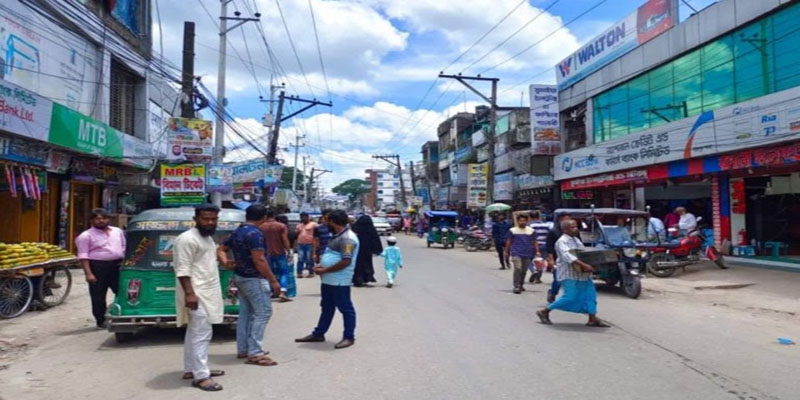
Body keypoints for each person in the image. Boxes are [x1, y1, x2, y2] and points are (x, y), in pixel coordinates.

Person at [218, 204, 281, 366]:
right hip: (254, 278)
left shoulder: (238, 231)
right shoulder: (255, 234)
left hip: (240, 276)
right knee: (263, 312)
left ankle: (244, 348)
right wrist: (273, 280)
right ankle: (255, 352)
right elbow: (259, 259)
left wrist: (225, 263)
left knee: (246, 314)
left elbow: (221, 249)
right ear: (264, 218)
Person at [173, 205, 226, 391]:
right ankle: (201, 376)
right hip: (196, 293)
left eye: (214, 219)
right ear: (196, 218)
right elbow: (182, 269)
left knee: (195, 332)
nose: (210, 222)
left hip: (207, 290)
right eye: (206, 219)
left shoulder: (207, 237)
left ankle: (192, 369)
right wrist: (190, 294)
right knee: (202, 334)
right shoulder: (187, 239)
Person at [295, 210, 359, 349]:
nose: (324, 223)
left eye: (327, 221)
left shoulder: (347, 238)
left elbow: (346, 261)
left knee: (345, 308)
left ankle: (349, 337)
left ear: (333, 222)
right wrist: (322, 266)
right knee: (327, 307)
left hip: (339, 280)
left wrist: (325, 269)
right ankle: (319, 333)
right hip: (329, 279)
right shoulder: (338, 235)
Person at [536, 219, 610, 328]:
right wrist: (585, 265)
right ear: (565, 229)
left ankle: (592, 318)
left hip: (582, 274)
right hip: (569, 274)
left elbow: (582, 253)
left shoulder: (576, 240)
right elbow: (568, 256)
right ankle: (545, 311)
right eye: (572, 227)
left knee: (590, 295)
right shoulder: (562, 241)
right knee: (570, 297)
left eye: (576, 226)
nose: (576, 229)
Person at [75, 208, 126, 329]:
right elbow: (83, 256)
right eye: (97, 219)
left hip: (117, 265)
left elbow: (124, 247)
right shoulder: (85, 236)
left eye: (104, 218)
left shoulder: (117, 231)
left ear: (108, 219)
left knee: (122, 292)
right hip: (98, 267)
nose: (101, 220)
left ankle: (123, 314)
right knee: (98, 295)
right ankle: (101, 320)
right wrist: (88, 273)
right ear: (91, 221)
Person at [261, 210, 294, 300]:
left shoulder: (261, 227)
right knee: (284, 272)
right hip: (279, 252)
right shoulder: (281, 226)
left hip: (266, 253)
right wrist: (288, 251)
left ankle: (272, 291)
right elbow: (285, 239)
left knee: (269, 273)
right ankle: (282, 292)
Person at [504, 213, 539, 294]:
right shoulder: (512, 230)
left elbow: (535, 241)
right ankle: (516, 286)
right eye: (520, 221)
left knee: (524, 270)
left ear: (527, 221)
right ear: (517, 221)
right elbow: (508, 241)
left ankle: (521, 284)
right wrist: (506, 251)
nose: (522, 222)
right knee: (518, 268)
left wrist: (537, 251)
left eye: (524, 221)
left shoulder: (531, 231)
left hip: (527, 253)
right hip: (516, 252)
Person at [351, 215, 383, 286]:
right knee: (367, 264)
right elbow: (376, 240)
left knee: (358, 265)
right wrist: (376, 250)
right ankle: (366, 277)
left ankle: (358, 279)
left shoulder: (355, 228)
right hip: (367, 251)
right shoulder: (371, 229)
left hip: (357, 251)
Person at [275, 215, 297, 297]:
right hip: (289, 251)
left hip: (280, 252)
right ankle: (290, 292)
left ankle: (278, 291)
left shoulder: (278, 232)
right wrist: (291, 251)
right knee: (289, 273)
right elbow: (294, 243)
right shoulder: (292, 232)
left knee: (280, 272)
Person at [529, 212, 552, 283]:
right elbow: (549, 235)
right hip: (544, 245)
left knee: (529, 260)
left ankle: (533, 271)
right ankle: (538, 278)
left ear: (530, 217)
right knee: (541, 261)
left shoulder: (530, 225)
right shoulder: (546, 225)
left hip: (533, 245)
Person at [295, 212, 318, 278]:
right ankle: (299, 273)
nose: (303, 218)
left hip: (309, 244)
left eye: (304, 217)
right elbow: (296, 235)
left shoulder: (313, 224)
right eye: (301, 217)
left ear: (308, 217)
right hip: (300, 244)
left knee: (310, 259)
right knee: (300, 259)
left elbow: (318, 232)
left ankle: (311, 272)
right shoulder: (299, 225)